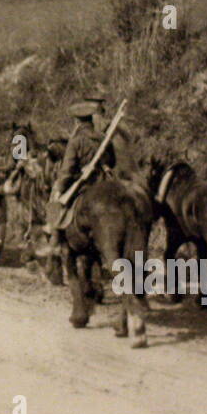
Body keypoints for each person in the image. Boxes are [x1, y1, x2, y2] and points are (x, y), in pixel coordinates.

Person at [42, 97, 137, 284]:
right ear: (91, 120)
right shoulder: (103, 138)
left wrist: (59, 188)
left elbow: (67, 170)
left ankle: (54, 245)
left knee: (57, 208)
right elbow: (112, 162)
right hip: (103, 181)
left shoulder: (76, 141)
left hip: (83, 185)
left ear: (77, 121)